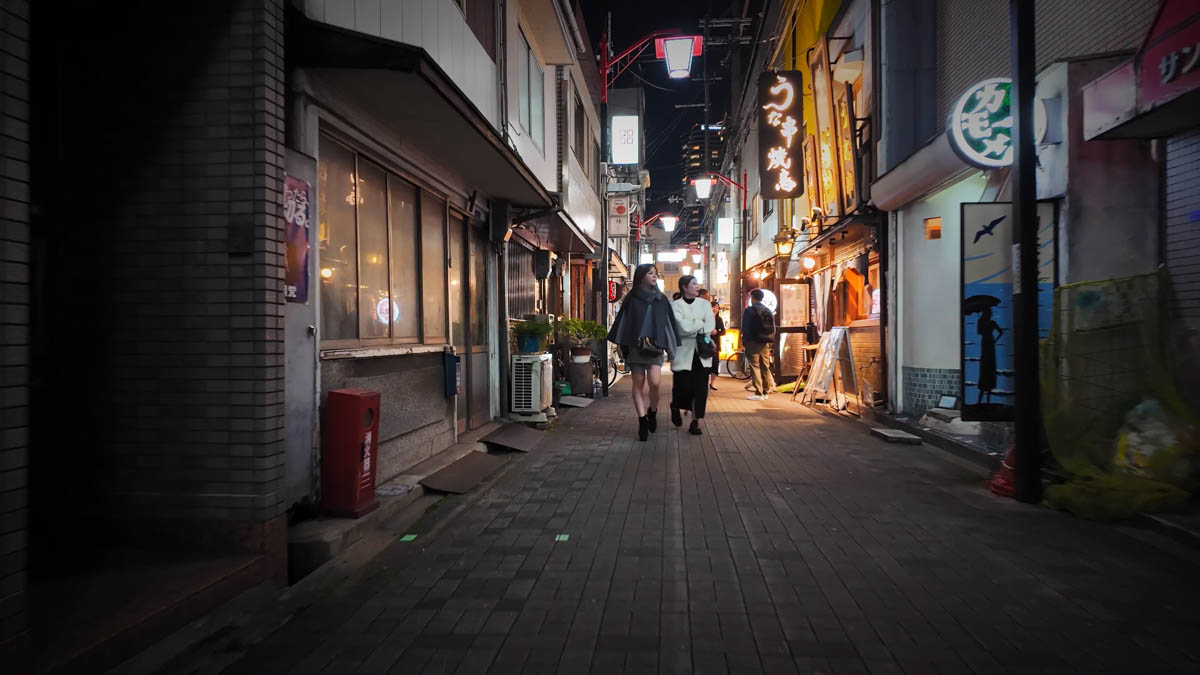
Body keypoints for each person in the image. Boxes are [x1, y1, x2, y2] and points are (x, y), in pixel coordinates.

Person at [607, 264, 680, 441]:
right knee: (638, 384)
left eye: (655, 273)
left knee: (655, 383)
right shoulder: (631, 298)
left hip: (655, 348)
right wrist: (620, 346)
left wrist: (671, 348)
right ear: (641, 277)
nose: (654, 276)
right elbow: (623, 322)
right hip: (635, 347)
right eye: (650, 273)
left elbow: (669, 324)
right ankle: (642, 420)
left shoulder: (661, 299)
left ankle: (652, 411)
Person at [670, 275, 716, 435]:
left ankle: (695, 421)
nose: (697, 286)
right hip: (683, 352)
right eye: (694, 284)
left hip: (702, 352)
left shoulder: (705, 304)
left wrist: (694, 325)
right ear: (684, 287)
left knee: (700, 389)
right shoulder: (675, 305)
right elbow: (680, 327)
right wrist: (699, 323)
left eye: (697, 284)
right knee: (682, 387)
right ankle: (675, 406)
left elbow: (710, 325)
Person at [741, 289, 776, 400]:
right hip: (765, 342)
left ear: (752, 297)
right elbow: (773, 328)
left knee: (754, 366)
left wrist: (744, 341)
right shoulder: (768, 310)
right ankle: (766, 391)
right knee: (765, 366)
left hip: (752, 341)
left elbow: (745, 327)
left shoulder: (749, 311)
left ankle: (758, 392)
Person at [709, 299, 725, 391]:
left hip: (715, 344)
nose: (715, 309)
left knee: (715, 363)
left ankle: (713, 383)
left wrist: (716, 332)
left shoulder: (719, 319)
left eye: (717, 307)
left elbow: (723, 331)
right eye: (713, 307)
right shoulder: (705, 318)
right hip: (705, 344)